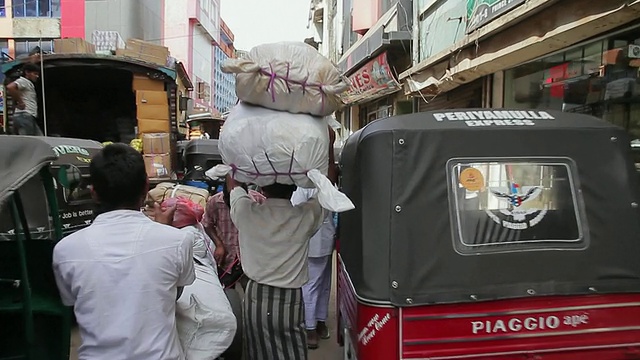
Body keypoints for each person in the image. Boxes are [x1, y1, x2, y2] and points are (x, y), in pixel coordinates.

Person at [52, 144, 196, 360]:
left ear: (94, 193)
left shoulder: (65, 251)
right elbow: (175, 291)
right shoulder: (178, 240)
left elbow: (74, 301)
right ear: (146, 187)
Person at [228, 126, 338, 359]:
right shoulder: (304, 217)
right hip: (290, 299)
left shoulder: (247, 212)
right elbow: (327, 187)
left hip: (256, 297)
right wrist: (328, 144)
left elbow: (233, 184)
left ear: (262, 186)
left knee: (257, 353)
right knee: (292, 353)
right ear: (294, 185)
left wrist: (234, 142)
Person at [291, 187, 336, 349]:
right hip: (311, 242)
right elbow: (295, 211)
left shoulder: (326, 184)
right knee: (310, 286)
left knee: (324, 285)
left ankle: (320, 320)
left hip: (326, 240)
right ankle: (310, 327)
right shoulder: (304, 186)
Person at [202, 181, 265, 289]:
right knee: (225, 292)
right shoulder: (215, 202)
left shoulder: (259, 201)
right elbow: (207, 224)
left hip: (252, 259)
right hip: (226, 259)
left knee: (252, 292)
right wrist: (219, 245)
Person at [6, 63, 42, 135]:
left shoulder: (28, 83)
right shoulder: (23, 81)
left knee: (39, 138)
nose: (37, 76)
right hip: (24, 115)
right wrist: (20, 102)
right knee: (27, 141)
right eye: (35, 74)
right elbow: (10, 87)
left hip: (28, 116)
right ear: (27, 72)